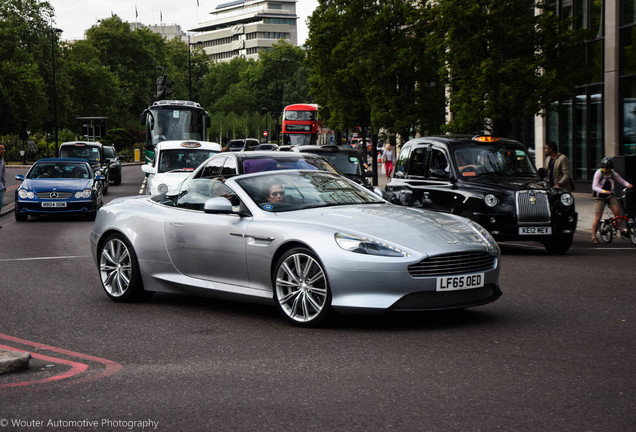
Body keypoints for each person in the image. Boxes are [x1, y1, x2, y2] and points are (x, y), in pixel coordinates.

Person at [591, 157, 633, 244]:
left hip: (609, 195)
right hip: (599, 196)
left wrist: (628, 185)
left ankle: (620, 231)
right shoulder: (599, 173)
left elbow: (621, 180)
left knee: (617, 212)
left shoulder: (613, 173)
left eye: (607, 167)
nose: (605, 169)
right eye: (604, 167)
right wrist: (603, 191)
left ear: (611, 167)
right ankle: (594, 236)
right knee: (598, 217)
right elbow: (594, 187)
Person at [0, 144, 6, 229]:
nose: (4, 150)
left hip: (0, 186)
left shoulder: (2, 160)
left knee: (0, 204)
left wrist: (4, 185)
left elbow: (3, 173)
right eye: (2, 149)